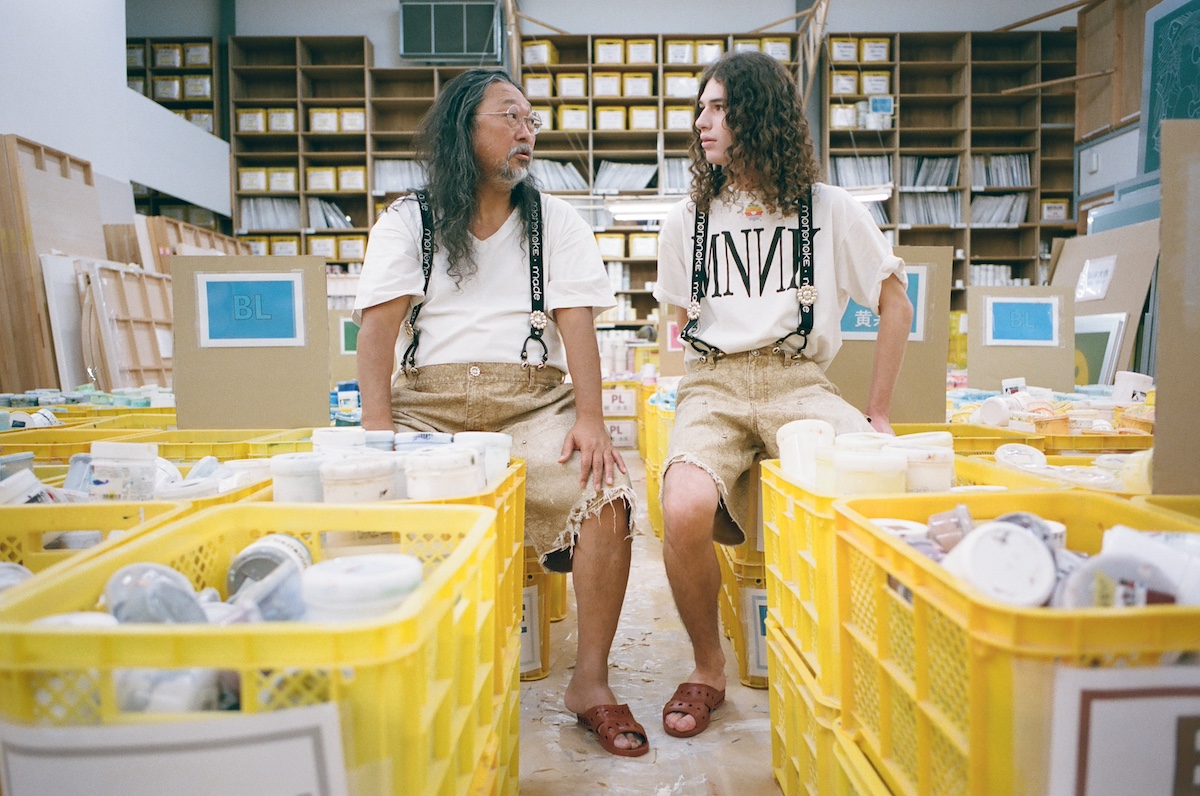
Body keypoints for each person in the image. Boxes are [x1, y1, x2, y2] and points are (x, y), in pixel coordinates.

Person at [353, 69, 648, 757]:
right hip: (425, 408)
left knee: (606, 496)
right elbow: (377, 333)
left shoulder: (556, 221)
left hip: (533, 404)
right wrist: (376, 435)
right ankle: (397, 667)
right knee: (371, 508)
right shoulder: (409, 219)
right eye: (510, 116)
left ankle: (590, 683)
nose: (527, 131)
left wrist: (592, 420)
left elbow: (577, 324)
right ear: (465, 128)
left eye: (531, 120)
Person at [653, 51, 913, 738]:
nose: (701, 122)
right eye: (701, 108)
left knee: (882, 487)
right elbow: (679, 322)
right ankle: (708, 667)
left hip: (800, 380)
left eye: (718, 108)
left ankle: (863, 653)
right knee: (682, 507)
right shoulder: (685, 220)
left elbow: (896, 303)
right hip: (712, 384)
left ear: (758, 114)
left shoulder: (829, 209)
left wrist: (878, 413)